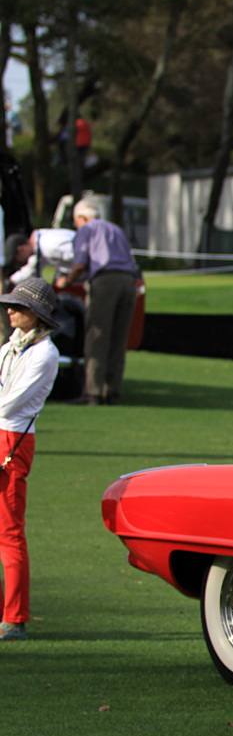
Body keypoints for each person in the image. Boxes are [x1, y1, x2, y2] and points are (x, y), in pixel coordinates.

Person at [0, 278, 62, 641]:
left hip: (13, 439)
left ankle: (15, 618)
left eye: (17, 307)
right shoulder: (13, 345)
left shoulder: (44, 353)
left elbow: (10, 404)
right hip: (5, 431)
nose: (10, 310)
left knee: (9, 530)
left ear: (35, 315)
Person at [54, 197, 139, 404]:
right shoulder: (116, 230)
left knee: (97, 336)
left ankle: (92, 392)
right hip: (129, 283)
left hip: (105, 281)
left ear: (82, 217)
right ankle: (112, 392)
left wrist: (66, 281)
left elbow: (80, 263)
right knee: (118, 339)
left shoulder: (87, 229)